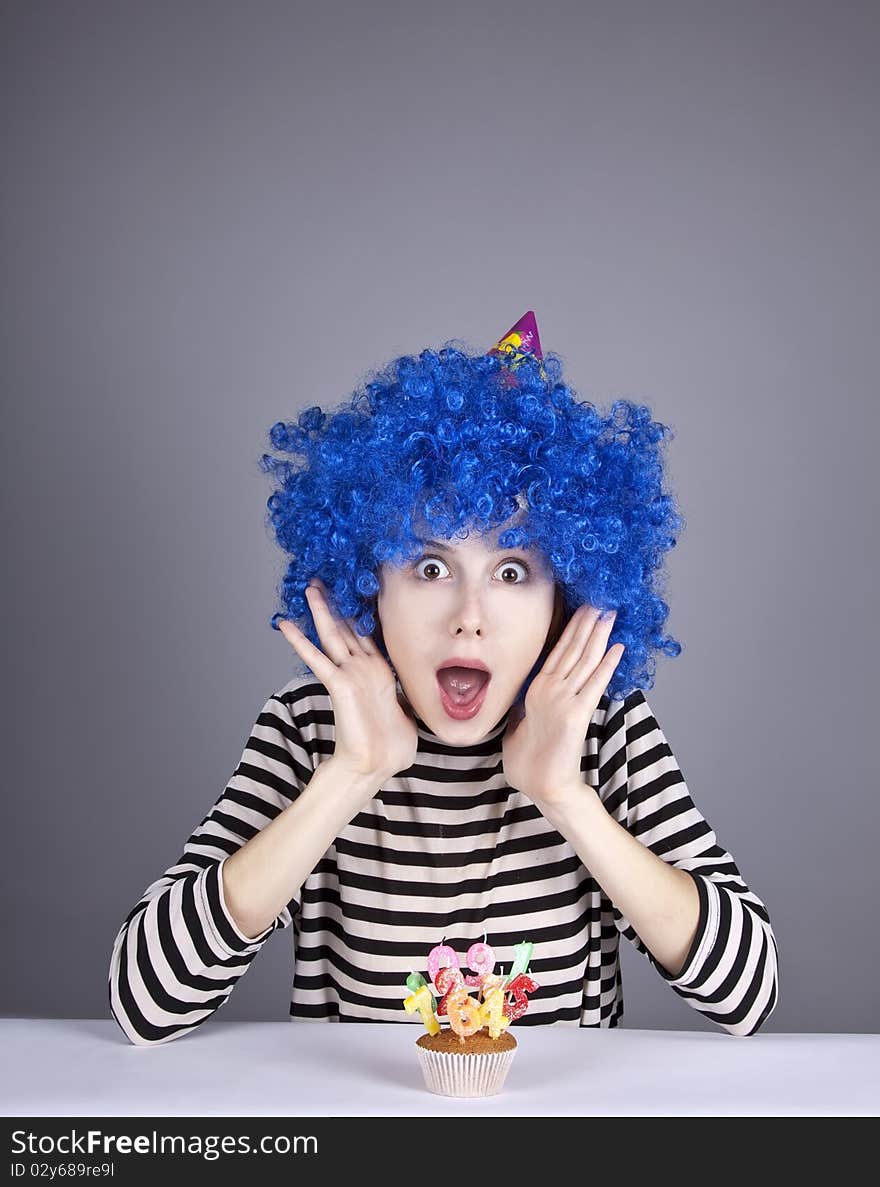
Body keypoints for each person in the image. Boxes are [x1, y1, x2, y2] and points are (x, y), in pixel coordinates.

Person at [108, 312, 778, 1046]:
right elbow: (146, 1003)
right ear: (371, 584)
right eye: (430, 568)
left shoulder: (604, 729)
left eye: (513, 571)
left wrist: (567, 796)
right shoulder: (311, 727)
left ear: (564, 598)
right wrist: (352, 774)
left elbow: (748, 995)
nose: (470, 617)